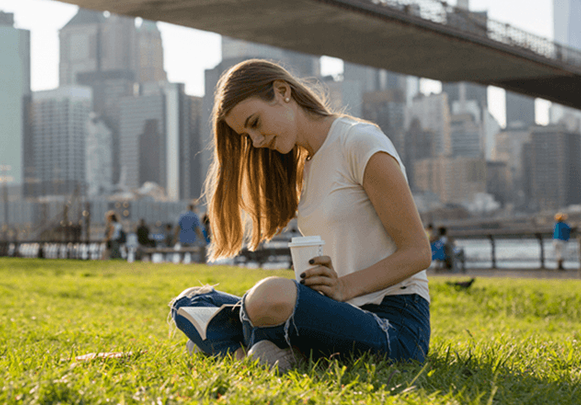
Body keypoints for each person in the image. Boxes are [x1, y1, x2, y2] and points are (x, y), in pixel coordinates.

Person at [170, 59, 431, 371]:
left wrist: (344, 287)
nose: (256, 141)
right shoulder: (303, 166)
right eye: (246, 135)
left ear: (283, 92)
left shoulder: (359, 142)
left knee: (269, 295)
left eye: (255, 123)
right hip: (335, 313)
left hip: (394, 323)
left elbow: (418, 252)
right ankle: (253, 355)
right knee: (191, 301)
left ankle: (228, 341)